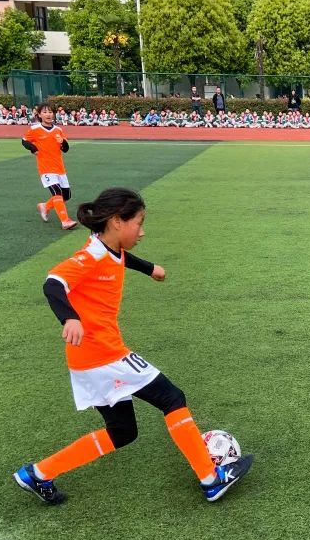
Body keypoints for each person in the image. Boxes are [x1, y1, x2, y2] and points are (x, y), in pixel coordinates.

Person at [14, 187, 254, 505]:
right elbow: (54, 282)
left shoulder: (108, 248)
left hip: (87, 359)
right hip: (103, 353)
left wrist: (149, 268)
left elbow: (121, 258)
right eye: (138, 223)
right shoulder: (91, 255)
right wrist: (69, 318)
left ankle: (38, 473)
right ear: (116, 221)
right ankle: (211, 479)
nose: (142, 231)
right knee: (172, 397)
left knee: (122, 431)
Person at [22, 103, 79, 231]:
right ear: (39, 114)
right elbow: (24, 141)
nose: (48, 114)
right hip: (46, 168)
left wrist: (62, 142)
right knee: (57, 192)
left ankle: (45, 206)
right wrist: (33, 148)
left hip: (59, 168)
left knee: (66, 196)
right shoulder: (35, 129)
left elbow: (65, 149)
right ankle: (65, 221)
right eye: (45, 112)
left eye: (50, 112)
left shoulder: (58, 130)